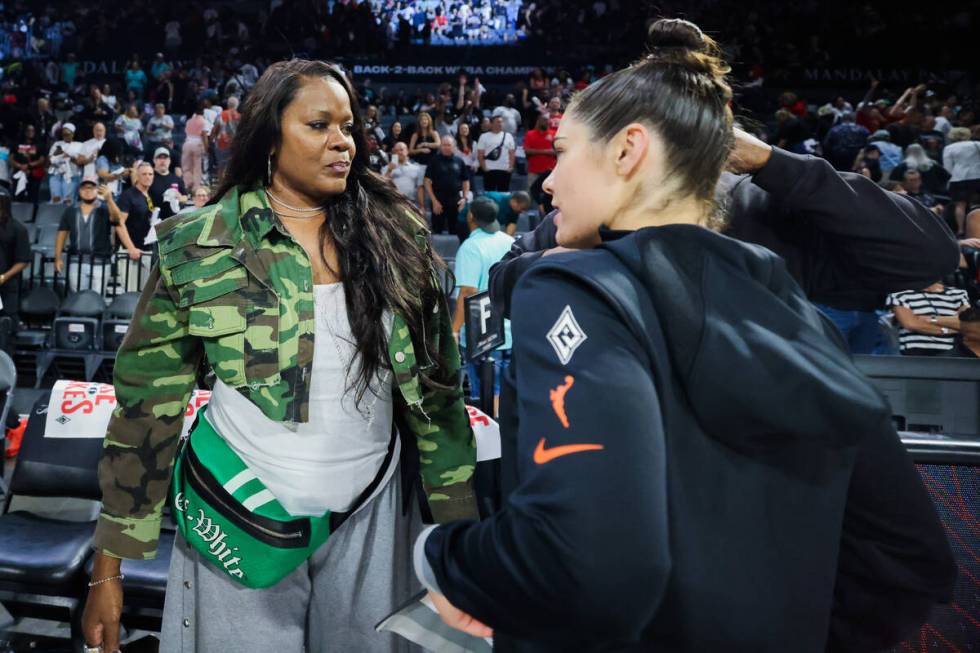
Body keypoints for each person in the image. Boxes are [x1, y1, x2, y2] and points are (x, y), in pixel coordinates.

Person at [415, 19, 956, 652]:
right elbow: (910, 557)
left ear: (629, 149)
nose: (547, 181)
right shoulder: (790, 305)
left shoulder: (575, 283)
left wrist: (436, 556)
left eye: (561, 152)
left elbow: (591, 563)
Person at [82, 58, 477, 653]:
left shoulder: (398, 236)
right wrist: (108, 569)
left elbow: (440, 399)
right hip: (238, 517)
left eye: (348, 126)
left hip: (370, 516)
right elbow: (145, 410)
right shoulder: (201, 243)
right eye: (319, 126)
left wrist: (458, 538)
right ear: (270, 136)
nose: (342, 141)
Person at [451, 196, 513, 401]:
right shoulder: (510, 242)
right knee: (503, 394)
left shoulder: (471, 247)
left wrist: (454, 329)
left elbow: (468, 291)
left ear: (471, 216)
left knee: (486, 396)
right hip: (510, 333)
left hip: (482, 334)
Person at [54, 176, 114, 292]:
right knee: (77, 299)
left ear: (97, 190)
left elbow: (117, 219)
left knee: (97, 301)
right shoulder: (71, 210)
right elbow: (61, 234)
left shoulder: (105, 208)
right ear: (79, 190)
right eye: (84, 188)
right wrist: (58, 258)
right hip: (77, 261)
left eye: (91, 187)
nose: (88, 190)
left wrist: (110, 200)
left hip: (100, 262)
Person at [887, 281, 974, 357]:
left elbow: (966, 323)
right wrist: (951, 326)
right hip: (914, 353)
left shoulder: (958, 294)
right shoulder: (899, 295)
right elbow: (911, 324)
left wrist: (932, 319)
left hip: (953, 352)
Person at [107, 161, 154, 291]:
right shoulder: (128, 196)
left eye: (150, 174)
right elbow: (118, 223)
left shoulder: (148, 196)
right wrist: (131, 248)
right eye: (144, 174)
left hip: (145, 250)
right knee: (131, 292)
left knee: (143, 293)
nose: (148, 177)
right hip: (130, 253)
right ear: (137, 176)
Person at [423, 135, 471, 237]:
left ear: (453, 146)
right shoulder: (434, 160)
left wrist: (464, 198)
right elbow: (427, 181)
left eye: (448, 145)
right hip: (438, 200)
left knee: (455, 232)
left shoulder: (459, 161)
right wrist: (434, 201)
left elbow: (466, 180)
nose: (446, 147)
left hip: (455, 200)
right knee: (437, 231)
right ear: (440, 146)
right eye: (443, 145)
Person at [0, 192, 32, 326]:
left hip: (7, 284)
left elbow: (23, 261)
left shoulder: (18, 229)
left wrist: (3, 277)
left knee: (7, 322)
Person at [943, 127, 980, 235]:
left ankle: (960, 230)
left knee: (960, 205)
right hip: (977, 176)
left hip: (958, 178)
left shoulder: (949, 148)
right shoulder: (976, 144)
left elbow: (947, 167)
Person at [47, 123, 85, 204]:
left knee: (68, 201)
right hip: (56, 175)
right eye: (63, 134)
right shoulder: (57, 144)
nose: (65, 136)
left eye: (67, 134)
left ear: (73, 134)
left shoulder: (79, 145)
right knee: (55, 200)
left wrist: (68, 156)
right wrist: (55, 154)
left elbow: (80, 162)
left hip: (71, 176)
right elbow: (50, 160)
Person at [477, 115, 516, 191]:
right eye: (498, 122)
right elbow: (480, 153)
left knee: (504, 193)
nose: (500, 124)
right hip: (489, 169)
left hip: (505, 170)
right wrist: (484, 167)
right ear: (491, 124)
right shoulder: (484, 136)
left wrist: (510, 167)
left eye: (501, 122)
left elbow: (512, 153)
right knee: (489, 193)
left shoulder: (508, 136)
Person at [148, 147, 188, 222]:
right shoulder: (149, 177)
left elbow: (185, 197)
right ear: (154, 160)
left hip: (173, 219)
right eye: (159, 158)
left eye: (165, 158)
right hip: (154, 219)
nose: (163, 161)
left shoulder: (176, 179)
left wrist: (180, 197)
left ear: (169, 161)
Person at [10, 125, 46, 204]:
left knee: (32, 198)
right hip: (18, 172)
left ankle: (32, 215)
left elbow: (42, 159)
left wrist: (29, 166)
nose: (31, 133)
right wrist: (19, 166)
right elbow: (11, 158)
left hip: (33, 175)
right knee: (17, 197)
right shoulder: (17, 143)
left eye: (33, 131)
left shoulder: (40, 144)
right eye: (29, 130)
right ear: (25, 132)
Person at [384, 141, 425, 207]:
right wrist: (389, 171)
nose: (399, 152)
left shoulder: (416, 168)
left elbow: (420, 188)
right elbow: (382, 184)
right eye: (396, 151)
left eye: (401, 149)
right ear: (394, 153)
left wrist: (422, 206)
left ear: (407, 151)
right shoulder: (386, 168)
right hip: (392, 203)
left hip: (410, 203)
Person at [522, 114, 557, 192]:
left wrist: (536, 151)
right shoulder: (530, 134)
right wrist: (546, 151)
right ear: (538, 121)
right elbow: (527, 150)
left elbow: (556, 152)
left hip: (549, 170)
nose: (545, 122)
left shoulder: (554, 134)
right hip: (533, 170)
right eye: (543, 120)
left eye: (547, 120)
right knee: (531, 192)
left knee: (548, 195)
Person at [182, 102, 210, 192]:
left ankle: (187, 184)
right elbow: (204, 136)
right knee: (197, 167)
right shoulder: (204, 122)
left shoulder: (189, 121)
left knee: (186, 166)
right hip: (197, 144)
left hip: (187, 143)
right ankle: (196, 188)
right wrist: (207, 147)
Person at [213, 95, 241, 174]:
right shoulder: (239, 117)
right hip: (234, 144)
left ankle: (221, 184)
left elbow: (216, 128)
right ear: (237, 105)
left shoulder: (221, 115)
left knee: (221, 167)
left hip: (221, 143)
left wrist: (212, 138)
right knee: (232, 166)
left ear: (228, 104)